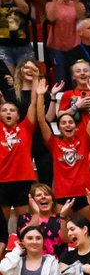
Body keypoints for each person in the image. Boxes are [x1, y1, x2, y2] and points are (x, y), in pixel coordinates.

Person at [0, 95, 38, 246]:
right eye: (4, 110)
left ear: (18, 115)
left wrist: (36, 84)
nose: (8, 112)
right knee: (2, 226)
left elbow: (34, 104)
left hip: (22, 181)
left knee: (24, 224)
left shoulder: (25, 127)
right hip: (1, 182)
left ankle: (24, 259)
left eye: (12, 110)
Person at [45, 0, 87, 83]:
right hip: (56, 46)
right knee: (61, 77)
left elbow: (81, 18)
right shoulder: (50, 5)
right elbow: (51, 18)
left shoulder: (78, 5)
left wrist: (75, 0)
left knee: (76, 77)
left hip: (74, 46)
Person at [0, 0, 34, 73]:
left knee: (25, 77)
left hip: (24, 48)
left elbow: (25, 10)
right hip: (3, 48)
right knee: (8, 79)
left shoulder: (22, 4)